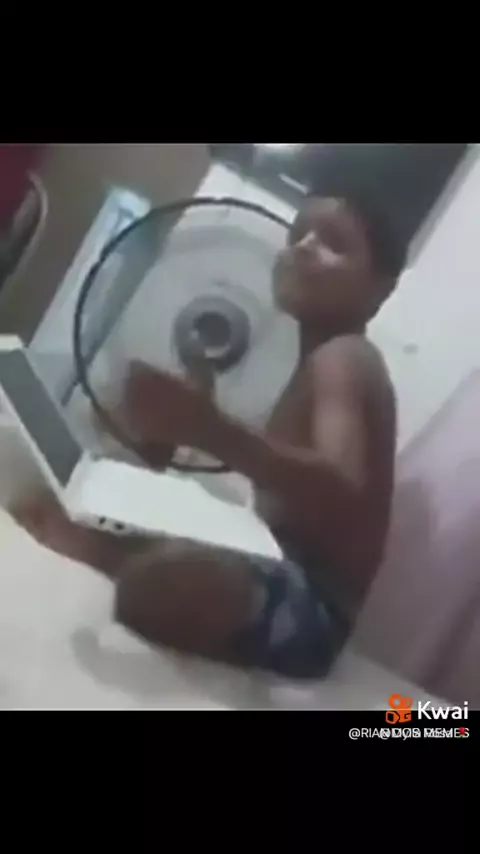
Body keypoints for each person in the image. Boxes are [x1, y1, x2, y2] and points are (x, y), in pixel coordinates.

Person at [14, 184, 404, 680]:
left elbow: (340, 489)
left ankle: (111, 555)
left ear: (380, 289)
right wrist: (175, 425)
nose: (303, 246)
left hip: (312, 607)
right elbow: (276, 476)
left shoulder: (346, 357)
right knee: (136, 525)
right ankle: (118, 549)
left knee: (173, 581)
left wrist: (210, 429)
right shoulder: (310, 364)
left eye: (333, 242)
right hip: (263, 557)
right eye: (298, 233)